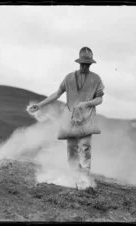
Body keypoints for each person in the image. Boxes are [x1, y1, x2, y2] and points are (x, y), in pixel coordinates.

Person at [28, 47, 104, 190]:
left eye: (88, 65)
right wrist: (40, 105)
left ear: (91, 64)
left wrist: (87, 103)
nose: (85, 67)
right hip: (70, 118)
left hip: (87, 118)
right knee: (71, 149)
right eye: (83, 64)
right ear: (79, 62)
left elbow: (99, 99)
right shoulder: (69, 78)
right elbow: (57, 94)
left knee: (85, 148)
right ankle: (75, 178)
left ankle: (85, 181)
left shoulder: (96, 79)